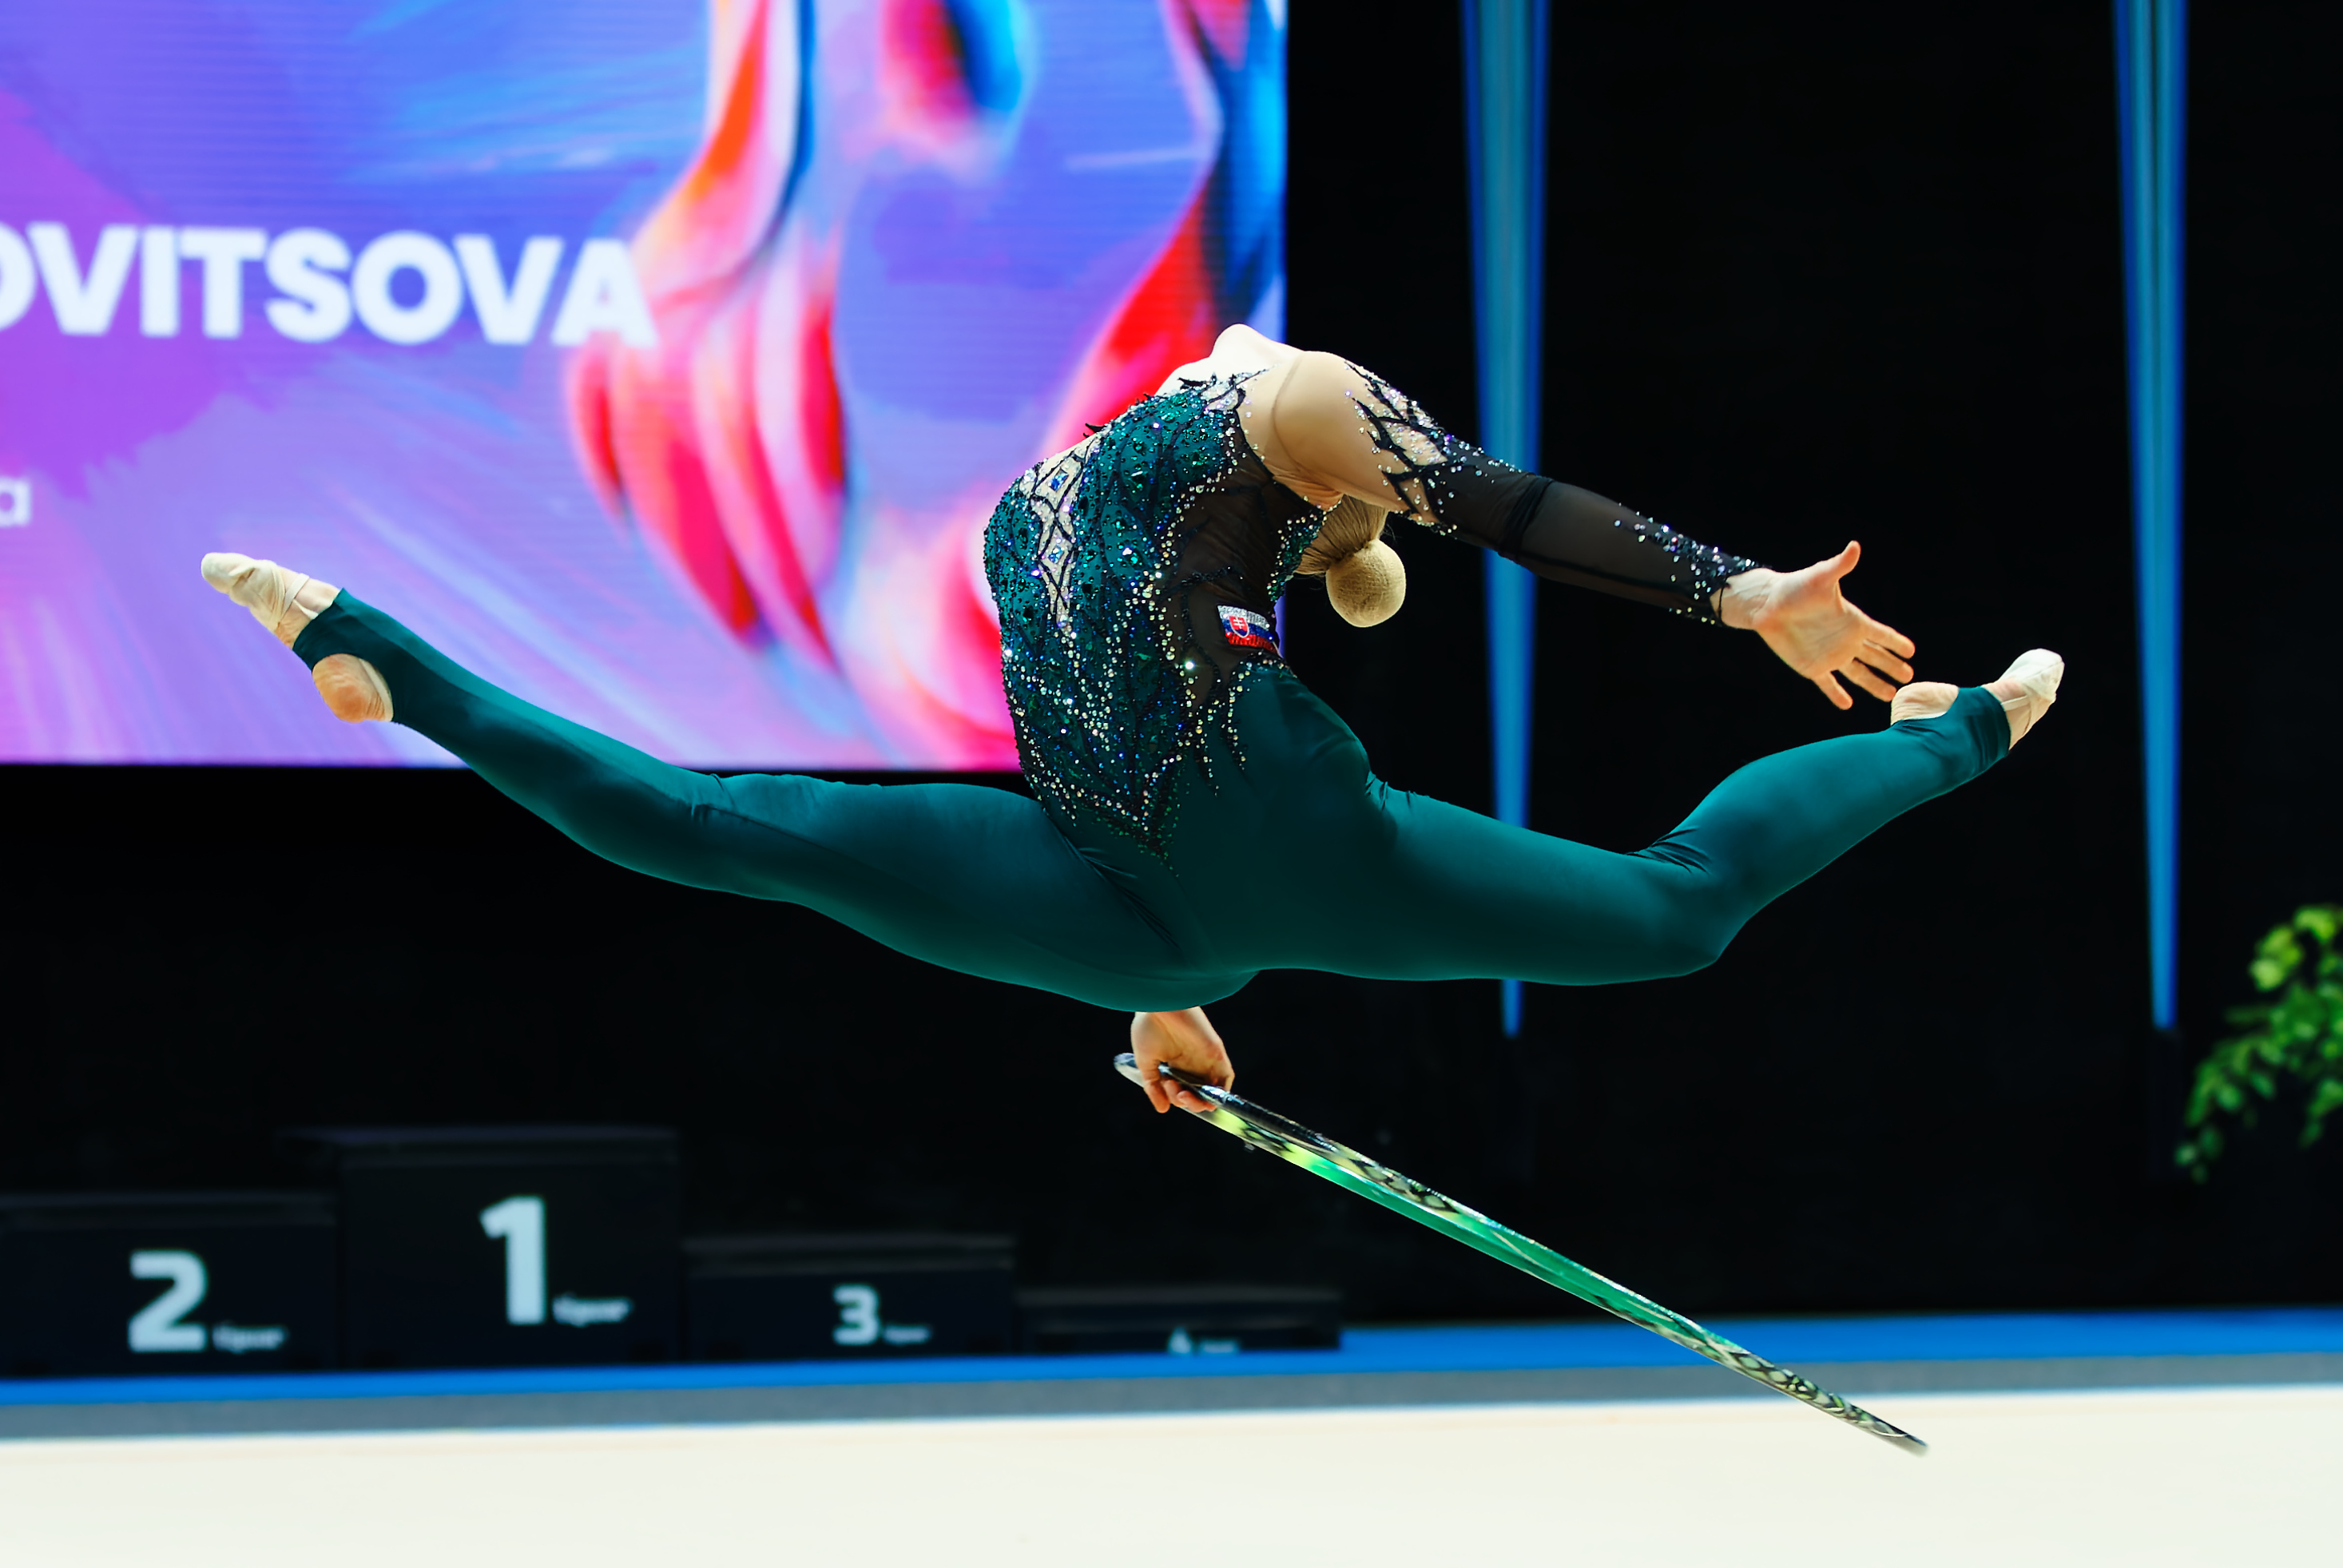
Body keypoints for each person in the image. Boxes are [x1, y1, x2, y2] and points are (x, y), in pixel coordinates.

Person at [202, 325, 2060, 1115]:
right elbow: (1500, 505)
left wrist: (1161, 984)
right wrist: (1742, 592)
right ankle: (1956, 734)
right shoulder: (1302, 398)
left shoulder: (1033, 502)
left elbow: (1136, 677)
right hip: (1263, 828)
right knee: (1679, 908)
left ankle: (384, 660)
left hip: (1107, 874)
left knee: (718, 826)